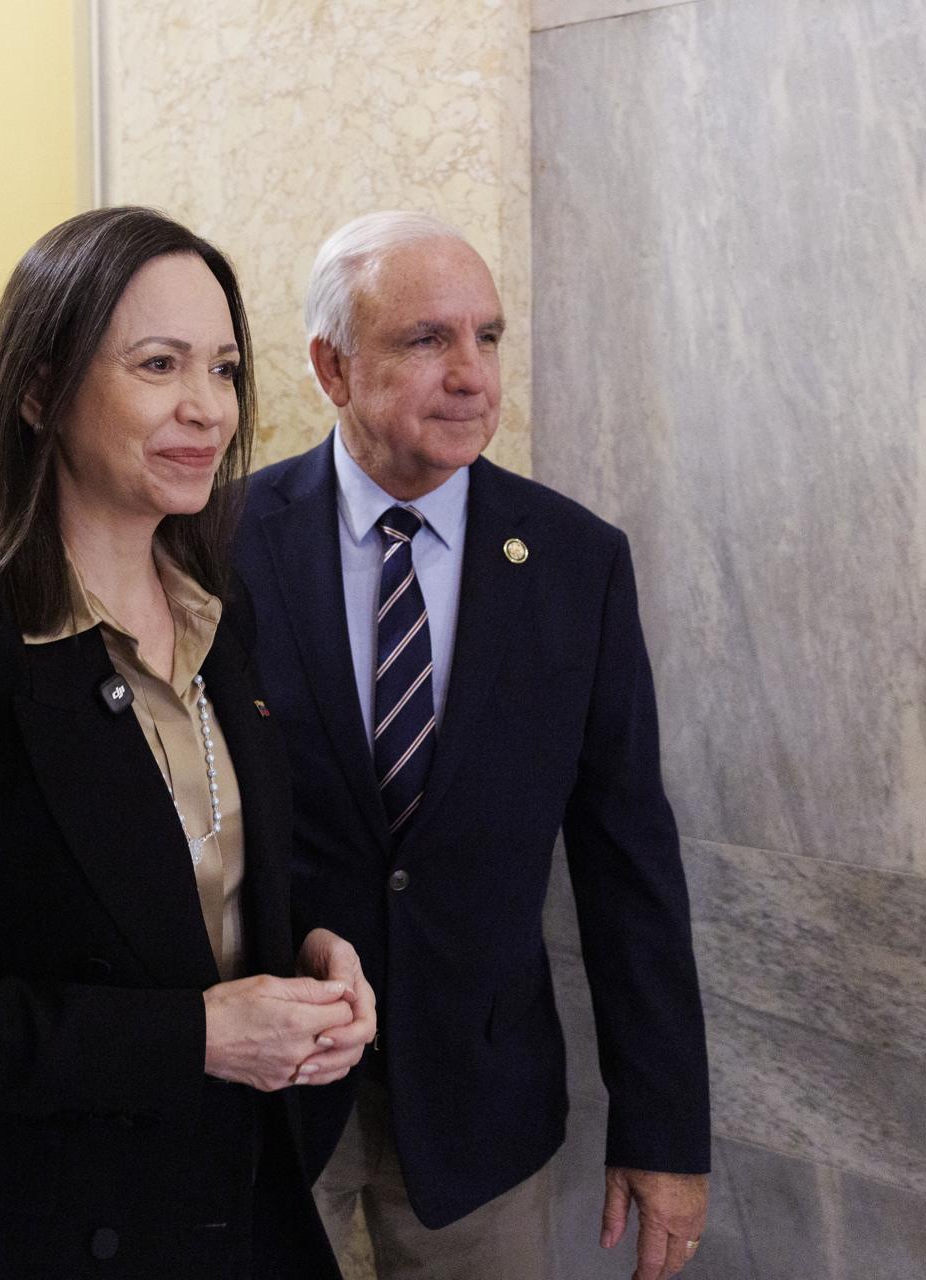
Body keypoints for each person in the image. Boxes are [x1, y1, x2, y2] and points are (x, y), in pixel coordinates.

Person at [0, 207, 373, 1279]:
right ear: (39, 391)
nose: (207, 407)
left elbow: (194, 886)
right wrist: (198, 1035)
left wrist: (301, 951)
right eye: (159, 365)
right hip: (45, 1226)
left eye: (223, 368)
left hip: (234, 1200)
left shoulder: (221, 609)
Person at [233, 211, 711, 1280]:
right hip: (269, 1103)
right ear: (331, 366)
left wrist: (665, 1130)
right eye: (426, 340)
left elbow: (629, 859)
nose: (471, 375)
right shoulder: (219, 542)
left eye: (486, 336)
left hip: (484, 1104)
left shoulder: (576, 562)